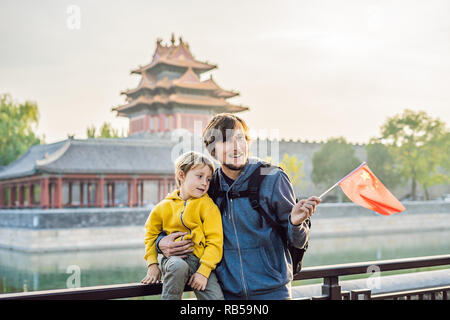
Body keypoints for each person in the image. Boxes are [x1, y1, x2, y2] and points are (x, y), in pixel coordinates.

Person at [157, 113, 321, 299]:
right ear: (212, 150)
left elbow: (299, 241)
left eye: (241, 138)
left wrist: (296, 223)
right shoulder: (210, 185)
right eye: (226, 141)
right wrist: (160, 242)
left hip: (273, 292)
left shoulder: (272, 176)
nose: (236, 147)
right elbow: (174, 217)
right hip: (227, 295)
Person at [140, 151, 224, 300]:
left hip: (201, 263)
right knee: (178, 266)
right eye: (199, 176)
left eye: (208, 179)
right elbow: (150, 235)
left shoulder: (208, 206)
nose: (205, 183)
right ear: (181, 175)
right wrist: (152, 264)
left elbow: (215, 242)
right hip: (173, 261)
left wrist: (203, 272)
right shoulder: (162, 207)